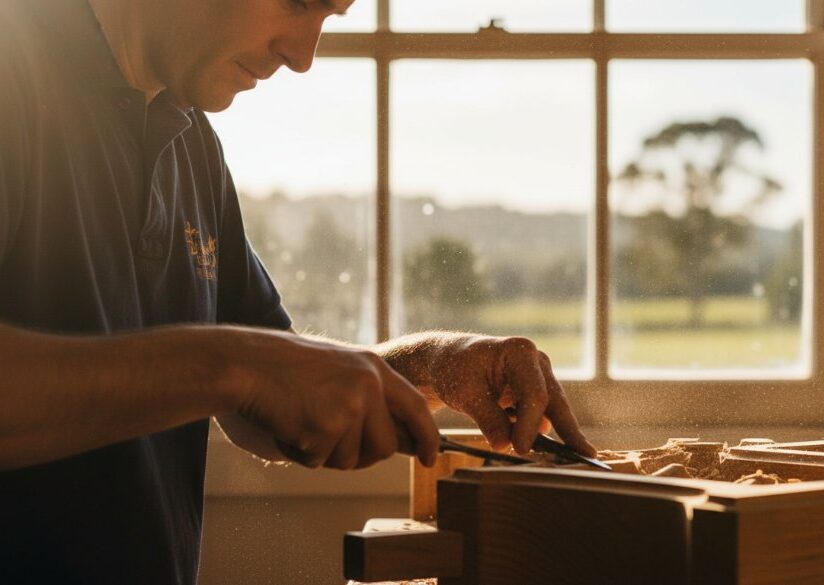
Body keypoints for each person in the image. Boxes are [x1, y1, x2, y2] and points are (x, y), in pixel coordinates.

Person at [0, 0, 596, 583]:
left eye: (329, 17)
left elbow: (269, 400)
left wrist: (430, 364)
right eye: (297, 3)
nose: (302, 56)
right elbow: (248, 372)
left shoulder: (191, 140)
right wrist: (235, 366)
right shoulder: (13, 62)